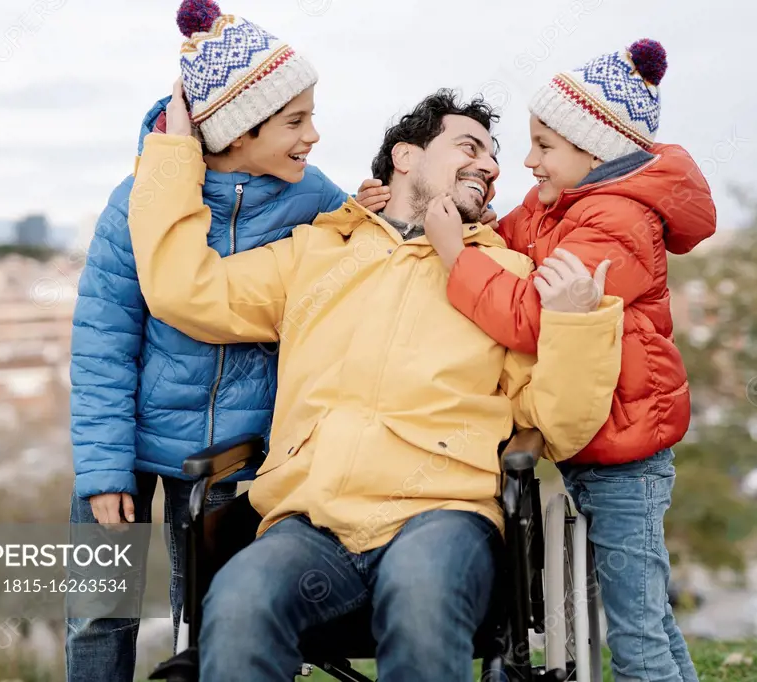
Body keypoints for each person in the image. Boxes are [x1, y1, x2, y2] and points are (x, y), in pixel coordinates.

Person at [126, 86, 624, 681]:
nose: (492, 167)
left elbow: (560, 426)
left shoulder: (506, 275)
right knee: (238, 603)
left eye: (494, 158)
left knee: (420, 597)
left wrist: (575, 324)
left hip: (444, 514)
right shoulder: (315, 252)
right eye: (470, 146)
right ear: (406, 157)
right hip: (310, 520)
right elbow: (184, 289)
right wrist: (174, 151)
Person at [361, 39, 717, 682]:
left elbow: (530, 318)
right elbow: (506, 239)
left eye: (544, 146)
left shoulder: (618, 222)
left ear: (596, 151)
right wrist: (408, 210)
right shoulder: (566, 205)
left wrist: (452, 255)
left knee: (635, 632)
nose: (527, 162)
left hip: (628, 455)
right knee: (648, 618)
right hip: (604, 444)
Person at [65, 1, 348, 680]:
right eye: (295, 120)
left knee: (207, 615)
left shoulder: (313, 198)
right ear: (238, 131)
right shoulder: (135, 202)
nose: (313, 134)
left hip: (233, 456)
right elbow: (102, 342)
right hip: (125, 443)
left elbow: (367, 251)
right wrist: (103, 469)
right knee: (99, 613)